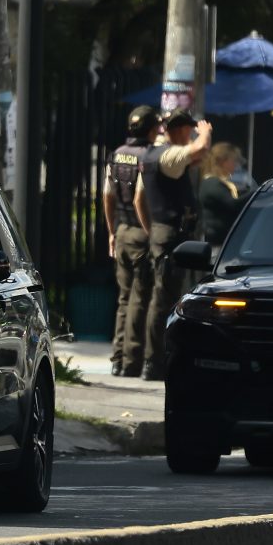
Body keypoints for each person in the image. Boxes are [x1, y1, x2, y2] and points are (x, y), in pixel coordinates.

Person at [133, 109, 213, 381]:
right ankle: (154, 363)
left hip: (163, 233)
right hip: (171, 236)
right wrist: (205, 133)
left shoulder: (152, 157)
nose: (191, 134)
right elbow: (199, 148)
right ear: (179, 130)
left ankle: (157, 360)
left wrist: (152, 229)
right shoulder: (169, 154)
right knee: (164, 300)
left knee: (165, 297)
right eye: (189, 130)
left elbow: (139, 201)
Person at [103, 105, 157, 377]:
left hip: (121, 231)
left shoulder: (116, 155)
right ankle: (132, 361)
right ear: (150, 129)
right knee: (139, 297)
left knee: (124, 298)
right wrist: (150, 233)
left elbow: (108, 195)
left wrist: (112, 232)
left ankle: (117, 358)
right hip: (139, 232)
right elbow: (139, 198)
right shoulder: (147, 156)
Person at [198, 141, 248, 247]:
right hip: (218, 245)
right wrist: (257, 192)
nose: (236, 164)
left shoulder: (222, 183)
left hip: (226, 242)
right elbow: (233, 204)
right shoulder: (212, 183)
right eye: (234, 160)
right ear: (222, 161)